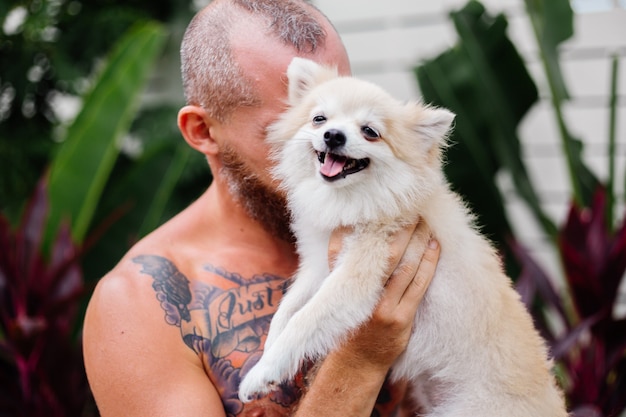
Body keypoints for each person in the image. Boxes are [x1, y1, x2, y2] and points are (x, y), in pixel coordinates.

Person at [82, 1, 441, 416]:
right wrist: (361, 360)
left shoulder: (403, 229)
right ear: (202, 132)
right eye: (300, 123)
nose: (320, 141)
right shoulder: (140, 305)